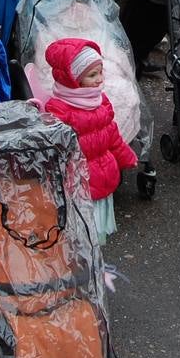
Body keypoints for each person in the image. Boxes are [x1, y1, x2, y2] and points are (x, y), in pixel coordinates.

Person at [43, 38, 139, 245]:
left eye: (100, 72)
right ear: (72, 79)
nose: (99, 79)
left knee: (97, 221)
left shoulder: (100, 100)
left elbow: (112, 134)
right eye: (92, 75)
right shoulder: (59, 108)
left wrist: (125, 156)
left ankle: (94, 246)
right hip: (78, 178)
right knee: (81, 224)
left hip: (102, 170)